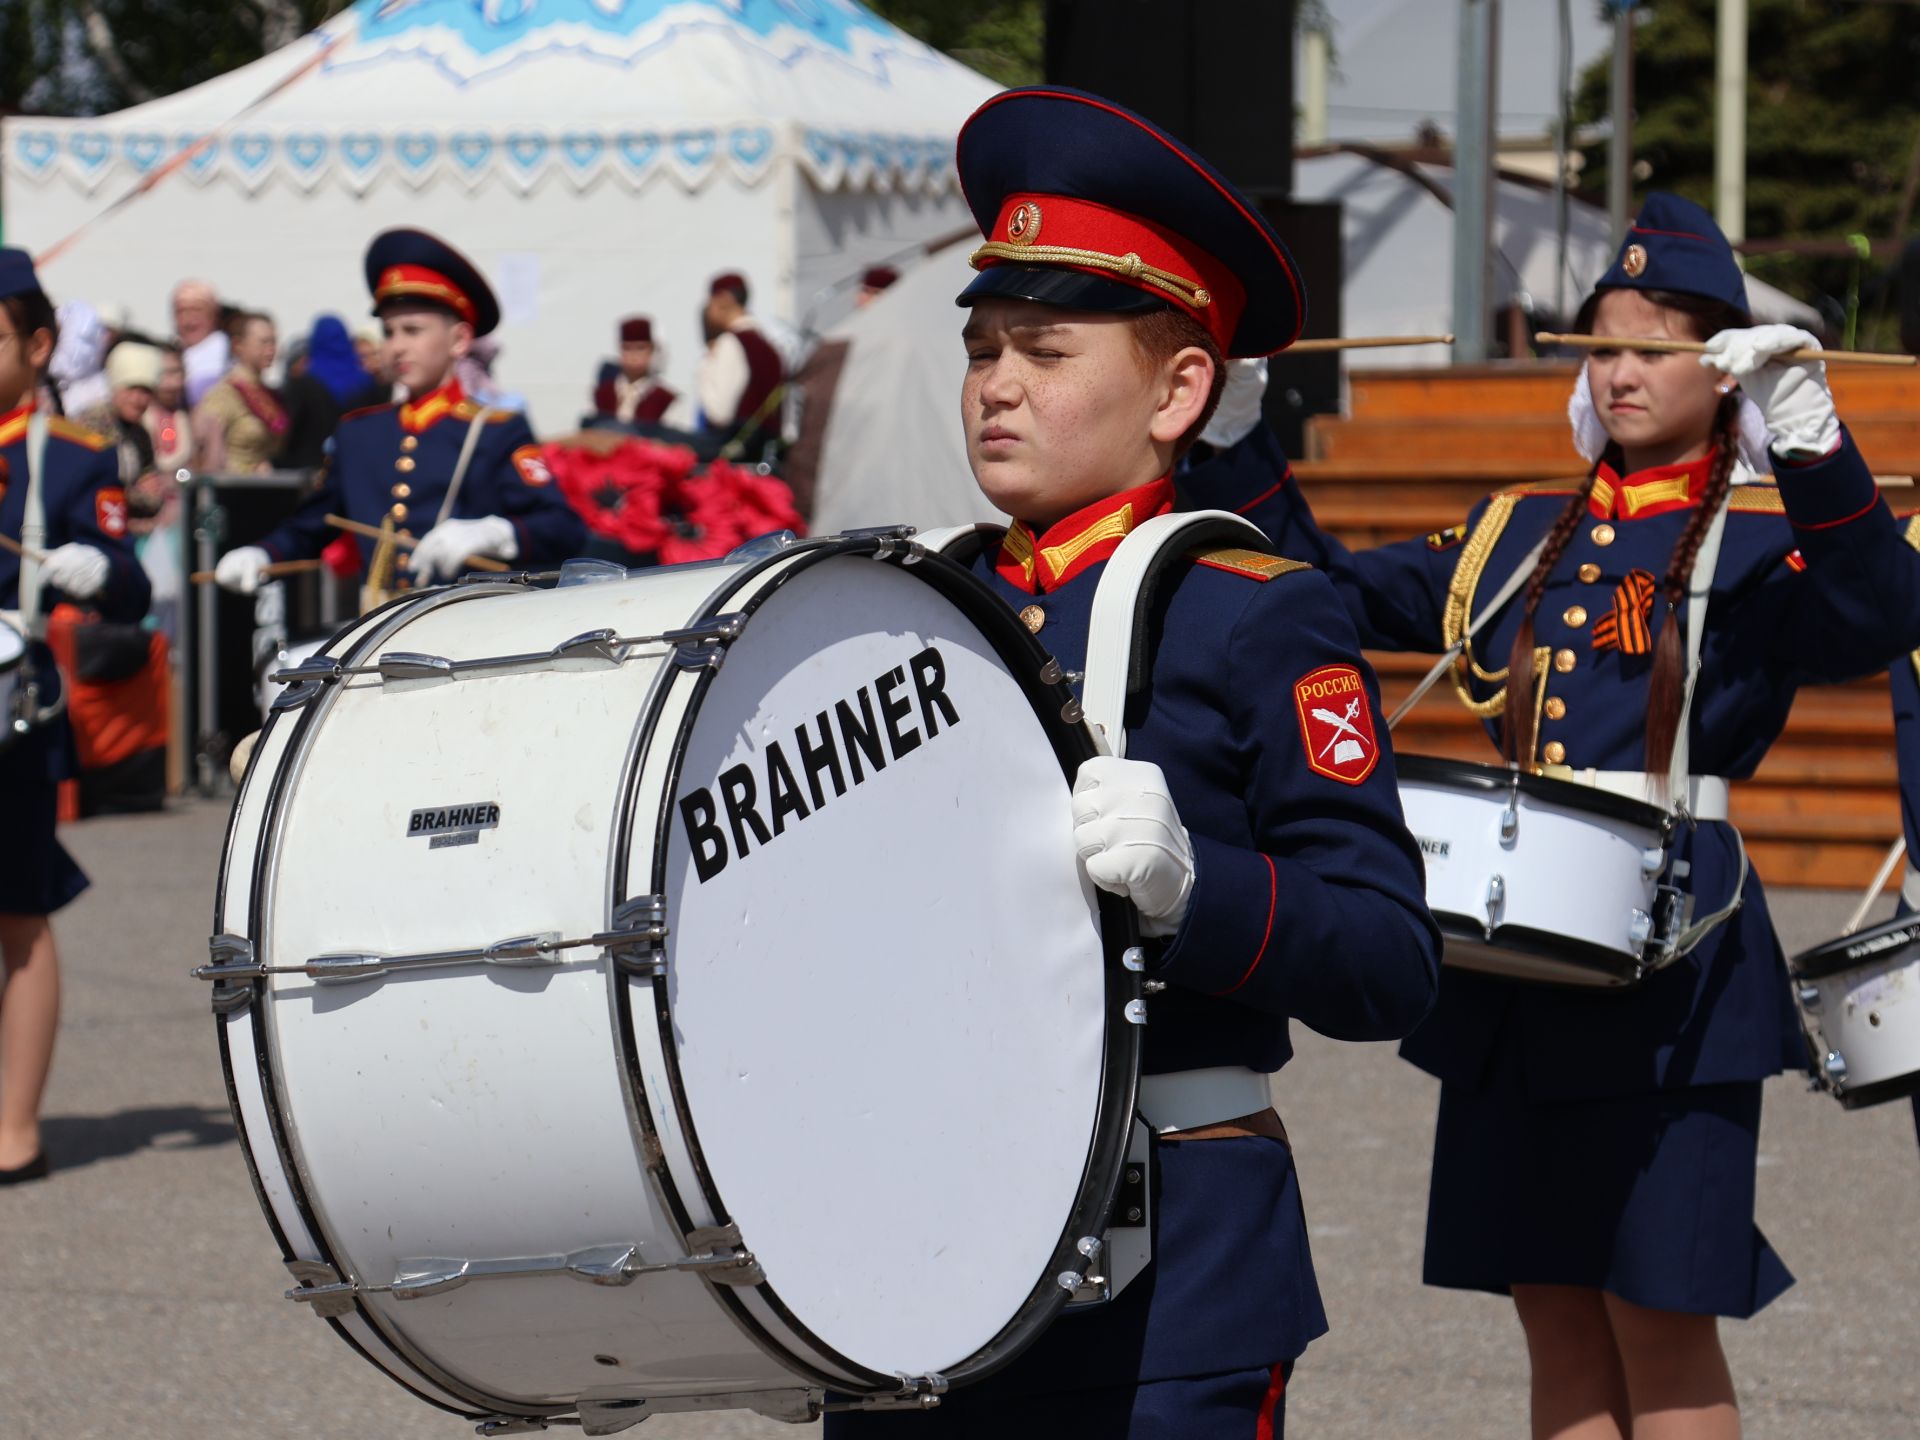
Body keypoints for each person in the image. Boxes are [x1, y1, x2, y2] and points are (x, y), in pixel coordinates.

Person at [1197, 194, 1920, 1439]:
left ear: (1722, 364)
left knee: (1660, 1313)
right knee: (1553, 1307)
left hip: (1673, 969)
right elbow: (1326, 590)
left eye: (1656, 341)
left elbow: (1879, 609)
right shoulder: (1520, 531)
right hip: (1513, 966)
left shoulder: (1757, 541)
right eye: (1603, 343)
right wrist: (1244, 440)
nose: (1622, 368)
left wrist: (1808, 437)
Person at [824, 86, 1441, 1439]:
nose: (994, 382)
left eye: (1044, 349)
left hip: (1171, 1280)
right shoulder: (904, 610)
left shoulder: (1252, 609)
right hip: (916, 1253)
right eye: (984, 346)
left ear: (1180, 390)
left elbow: (1389, 960)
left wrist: (1194, 889)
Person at [0, 248, 150, 1185]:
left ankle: (14, 1127)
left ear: (38, 343)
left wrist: (101, 572)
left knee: (17, 910)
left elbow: (128, 584)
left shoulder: (72, 456)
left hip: (9, 706)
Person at [213, 228, 584, 593]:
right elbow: (313, 525)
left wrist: (494, 533)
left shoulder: (497, 430)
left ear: (459, 340)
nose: (397, 347)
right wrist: (262, 553)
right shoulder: (358, 433)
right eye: (389, 332)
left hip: (471, 635)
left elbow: (562, 528)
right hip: (382, 633)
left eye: (412, 330)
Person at [694, 271, 784, 447]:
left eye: (710, 302)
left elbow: (719, 414)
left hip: (735, 449)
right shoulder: (768, 345)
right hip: (763, 446)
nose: (708, 309)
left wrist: (706, 364)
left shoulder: (731, 343)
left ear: (724, 300)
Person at [193, 312, 285, 474]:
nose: (271, 349)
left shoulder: (270, 394)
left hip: (268, 487)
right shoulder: (223, 395)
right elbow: (210, 456)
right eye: (263, 342)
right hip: (234, 488)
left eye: (273, 342)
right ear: (238, 345)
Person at [591, 316, 679, 425]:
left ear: (652, 351)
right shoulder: (600, 394)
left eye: (640, 348)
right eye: (627, 348)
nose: (634, 356)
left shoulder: (666, 399)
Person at [171, 278, 230, 407]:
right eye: (180, 311)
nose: (188, 320)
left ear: (213, 314)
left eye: (196, 310)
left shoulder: (228, 353)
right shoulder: (172, 351)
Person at [145, 343, 193, 476]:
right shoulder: (136, 420)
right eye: (164, 373)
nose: (173, 383)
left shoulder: (194, 417)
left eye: (177, 372)